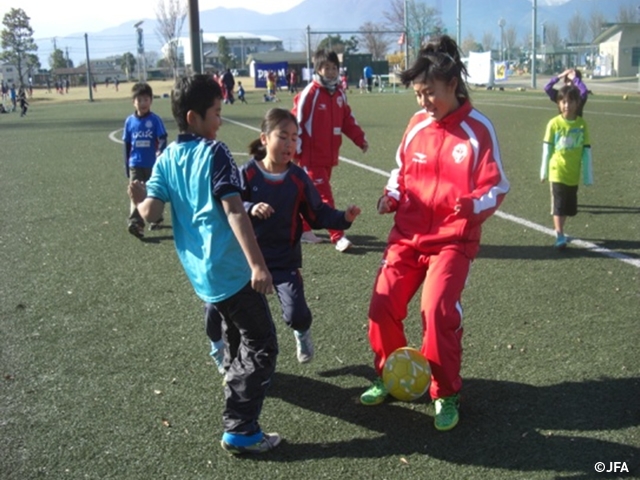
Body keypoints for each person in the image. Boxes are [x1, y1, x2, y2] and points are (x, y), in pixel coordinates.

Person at [358, 36, 510, 432]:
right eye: (418, 95)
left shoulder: (478, 130)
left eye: (429, 94)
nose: (423, 103)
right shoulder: (416, 124)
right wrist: (392, 195)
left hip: (453, 241)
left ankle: (446, 393)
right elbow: (400, 170)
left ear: (452, 85)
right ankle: (391, 375)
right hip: (407, 236)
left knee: (437, 308)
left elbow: (497, 185)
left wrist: (473, 205)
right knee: (381, 306)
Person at [128, 74, 281, 455]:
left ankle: (233, 375)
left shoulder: (166, 158)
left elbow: (151, 214)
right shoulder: (215, 153)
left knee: (234, 333)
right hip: (230, 270)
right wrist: (258, 266)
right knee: (262, 345)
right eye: (216, 113)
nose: (221, 121)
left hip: (203, 276)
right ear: (194, 117)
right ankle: (241, 426)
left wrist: (137, 197)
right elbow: (234, 212)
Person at [205, 108, 361, 368]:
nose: (290, 144)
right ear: (264, 138)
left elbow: (317, 213)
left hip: (283, 261)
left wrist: (343, 217)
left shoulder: (297, 178)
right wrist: (250, 207)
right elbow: (229, 206)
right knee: (218, 309)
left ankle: (302, 333)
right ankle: (219, 348)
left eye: (295, 138)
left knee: (295, 314)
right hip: (245, 262)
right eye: (283, 137)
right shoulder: (247, 174)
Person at [292, 49, 368, 252]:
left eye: (334, 68)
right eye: (327, 68)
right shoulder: (310, 93)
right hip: (311, 156)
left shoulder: (339, 94)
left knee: (309, 196)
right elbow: (296, 120)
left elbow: (347, 121)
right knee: (325, 197)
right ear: (318, 69)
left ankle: (303, 229)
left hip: (329, 157)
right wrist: (295, 148)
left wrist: (360, 139)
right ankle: (338, 236)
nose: (332, 72)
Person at [540, 84, 593, 249]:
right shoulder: (554, 124)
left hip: (573, 174)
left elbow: (586, 151)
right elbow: (547, 149)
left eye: (570, 101)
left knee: (568, 208)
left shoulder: (582, 125)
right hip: (557, 172)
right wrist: (544, 171)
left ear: (578, 103)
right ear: (558, 104)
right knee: (559, 205)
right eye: (562, 101)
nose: (566, 105)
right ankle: (560, 234)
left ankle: (560, 230)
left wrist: (587, 176)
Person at [122, 82, 168, 239]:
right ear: (133, 101)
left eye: (146, 100)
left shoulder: (155, 120)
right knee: (135, 190)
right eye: (139, 100)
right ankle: (136, 223)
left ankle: (156, 217)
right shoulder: (129, 121)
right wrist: (126, 164)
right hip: (135, 163)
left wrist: (160, 150)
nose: (143, 103)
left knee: (152, 191)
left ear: (151, 101)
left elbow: (162, 137)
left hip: (152, 164)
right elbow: (127, 144)